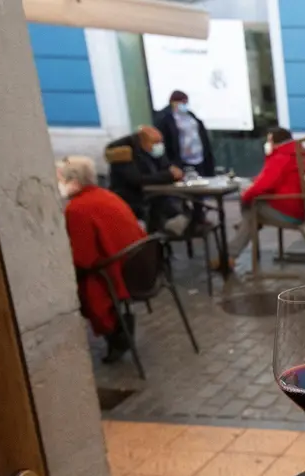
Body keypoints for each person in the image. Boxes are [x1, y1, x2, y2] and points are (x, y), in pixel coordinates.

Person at [59, 156, 146, 362]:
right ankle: (119, 330)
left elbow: (82, 259)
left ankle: (116, 333)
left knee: (81, 284)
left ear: (72, 181)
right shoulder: (108, 196)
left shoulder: (76, 209)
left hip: (118, 274)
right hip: (140, 266)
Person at [227, 128, 305, 264]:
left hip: (288, 210)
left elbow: (264, 185)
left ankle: (230, 256)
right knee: (251, 214)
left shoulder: (281, 157)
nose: (267, 144)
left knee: (250, 208)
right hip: (298, 206)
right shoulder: (296, 153)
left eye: (269, 140)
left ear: (275, 142)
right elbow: (269, 179)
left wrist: (245, 196)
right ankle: (237, 242)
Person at [105, 125, 189, 235]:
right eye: (155, 143)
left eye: (160, 142)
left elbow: (165, 165)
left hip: (154, 197)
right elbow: (136, 179)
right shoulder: (121, 150)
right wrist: (168, 175)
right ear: (142, 142)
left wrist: (173, 170)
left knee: (180, 211)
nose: (158, 146)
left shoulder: (151, 149)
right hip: (131, 199)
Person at [154, 90, 215, 177]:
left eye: (185, 102)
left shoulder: (191, 116)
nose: (184, 105)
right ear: (173, 102)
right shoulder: (164, 118)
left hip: (198, 159)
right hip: (180, 162)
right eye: (181, 102)